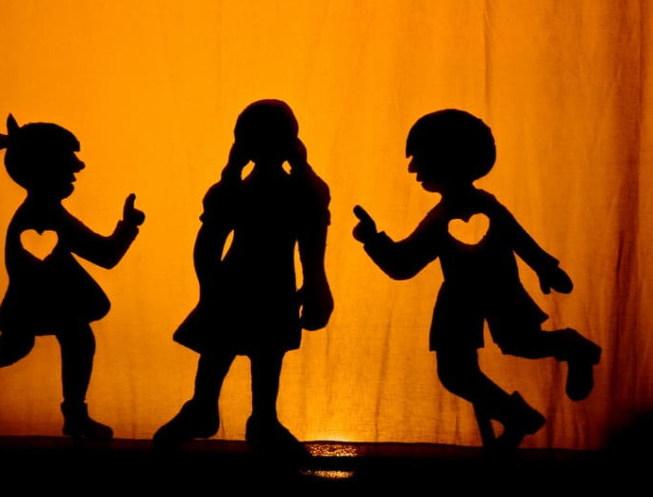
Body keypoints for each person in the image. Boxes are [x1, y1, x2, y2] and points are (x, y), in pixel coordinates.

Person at [353, 109, 601, 449]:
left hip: (501, 292)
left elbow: (518, 238)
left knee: (520, 344)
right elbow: (405, 264)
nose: (413, 169)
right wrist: (373, 240)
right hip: (459, 301)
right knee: (456, 373)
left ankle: (573, 349)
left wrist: (546, 267)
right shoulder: (441, 217)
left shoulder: (477, 210)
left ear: (449, 159)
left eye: (420, 158)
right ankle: (517, 416)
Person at [153, 100, 333, 456]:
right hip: (250, 283)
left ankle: (250, 417)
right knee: (232, 351)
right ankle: (213, 409)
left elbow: (310, 242)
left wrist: (316, 284)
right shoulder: (259, 192)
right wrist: (209, 288)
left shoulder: (292, 192)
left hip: (256, 284)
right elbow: (208, 244)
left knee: (258, 352)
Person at [0, 114, 145, 439]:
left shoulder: (43, 211)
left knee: (35, 341)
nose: (78, 168)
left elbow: (101, 255)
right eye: (68, 161)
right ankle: (72, 414)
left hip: (47, 295)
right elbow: (104, 256)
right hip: (44, 296)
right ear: (44, 167)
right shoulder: (44, 215)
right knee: (48, 341)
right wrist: (128, 226)